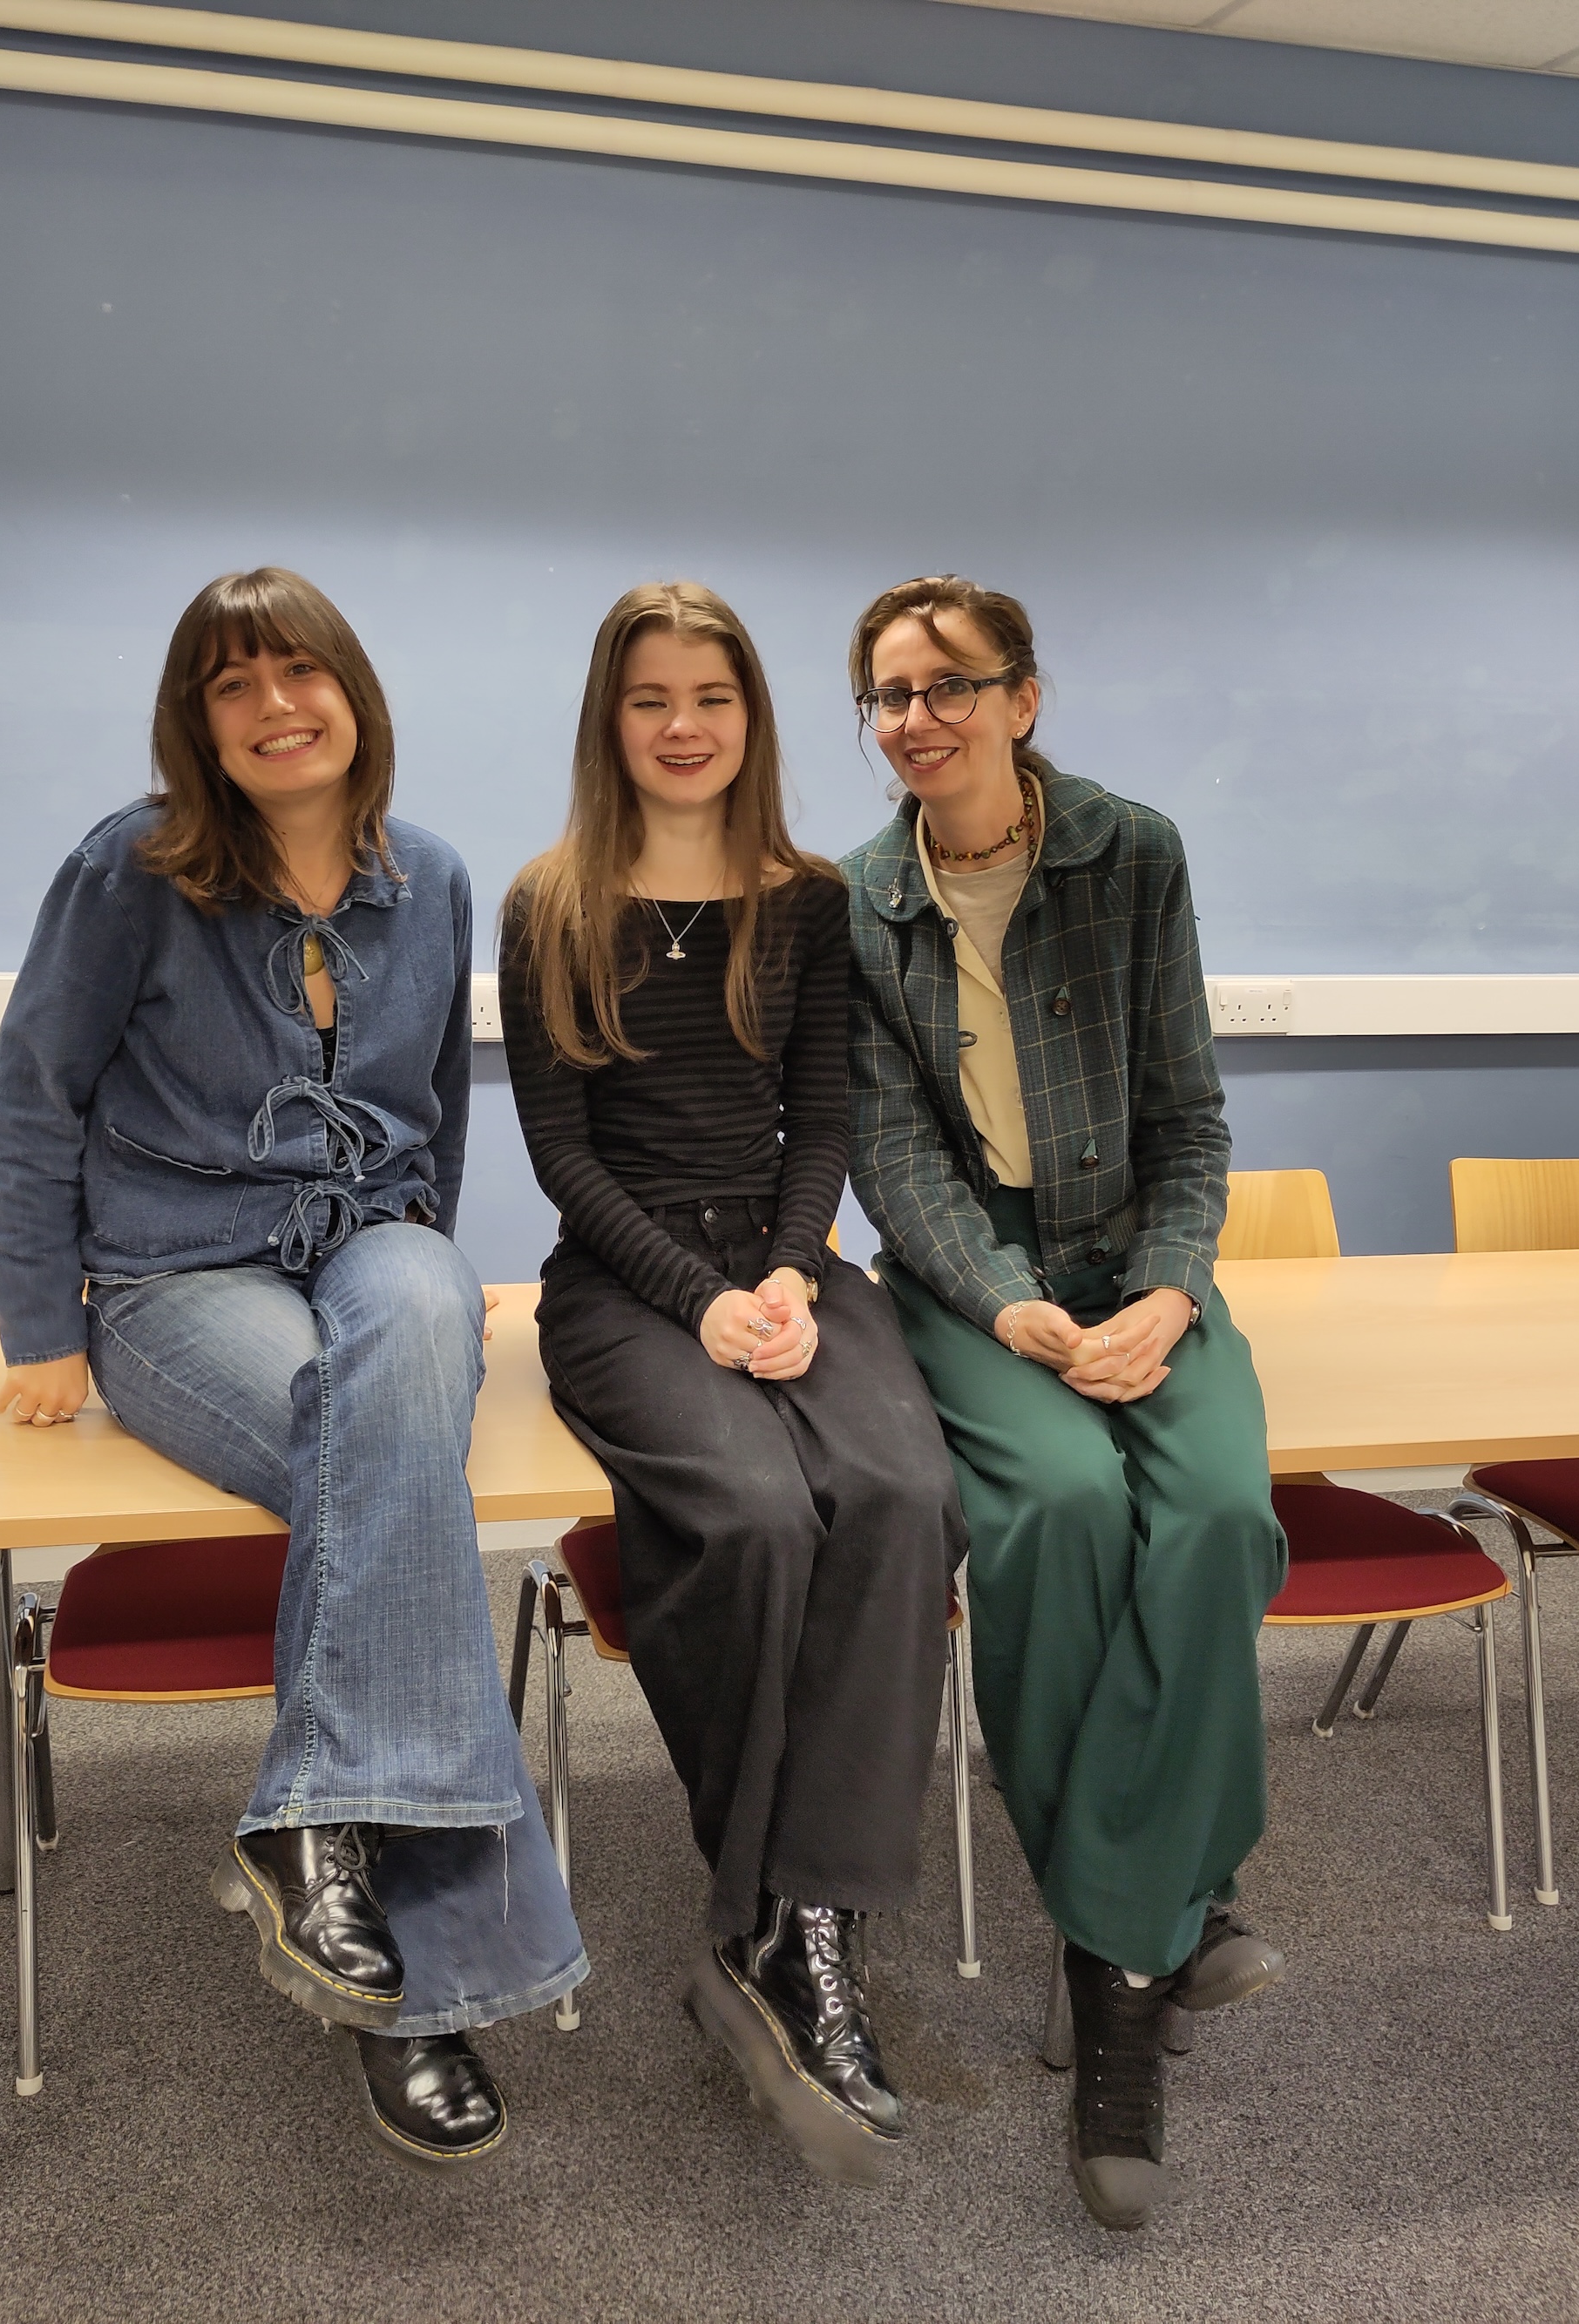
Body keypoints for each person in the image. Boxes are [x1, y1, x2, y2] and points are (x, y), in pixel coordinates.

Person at [0, 566, 586, 2172]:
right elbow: (36, 1094)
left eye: (297, 673)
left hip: (377, 1237)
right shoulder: (131, 870)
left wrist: (433, 1293)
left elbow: (441, 1109)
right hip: (180, 1273)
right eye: (231, 685)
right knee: (382, 1458)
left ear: (354, 694)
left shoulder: (434, 876)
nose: (273, 707)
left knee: (401, 1366)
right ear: (197, 720)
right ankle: (417, 1986)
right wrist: (40, 1325)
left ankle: (319, 1829)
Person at [498, 581, 964, 2185]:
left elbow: (820, 1113)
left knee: (905, 1490)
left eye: (714, 695)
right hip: (626, 1286)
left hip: (780, 1262)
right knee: (758, 1515)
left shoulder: (809, 900)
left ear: (753, 717)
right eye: (650, 699)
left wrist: (785, 1267)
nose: (683, 725)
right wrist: (701, 1302)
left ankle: (812, 1920)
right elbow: (562, 1157)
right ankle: (760, 1911)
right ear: (608, 721)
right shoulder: (548, 902)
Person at [841, 574, 1287, 2233]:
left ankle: (1113, 1918)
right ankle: (1142, 1971)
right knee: (1061, 1513)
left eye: (953, 684)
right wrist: (1015, 1308)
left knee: (1224, 1515)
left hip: (1143, 1260)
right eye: (889, 694)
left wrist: (1169, 1289)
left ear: (1026, 697)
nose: (919, 718)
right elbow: (892, 1157)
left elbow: (1192, 1110)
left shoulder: (1133, 851)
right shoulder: (857, 900)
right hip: (978, 1283)